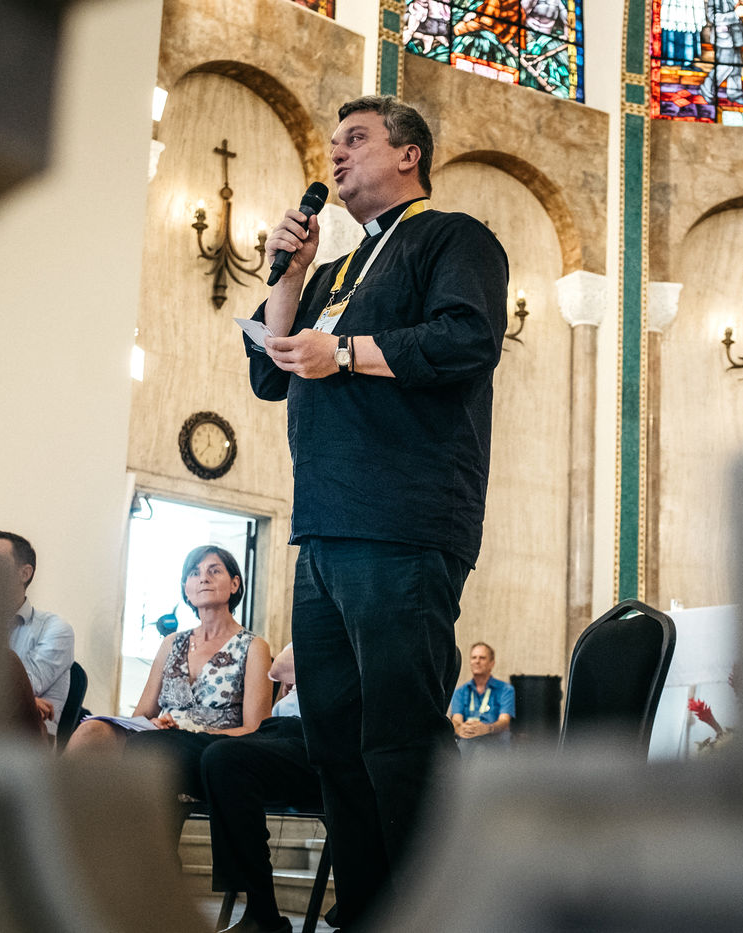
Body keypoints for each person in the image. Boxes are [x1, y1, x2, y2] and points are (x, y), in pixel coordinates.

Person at [245, 94, 508, 928]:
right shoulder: (333, 271)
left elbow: (467, 337)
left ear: (408, 154)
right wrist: (289, 275)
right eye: (332, 143)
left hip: (404, 519)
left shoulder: (453, 239)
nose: (336, 154)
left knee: (399, 741)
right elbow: (270, 370)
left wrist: (348, 351)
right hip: (323, 529)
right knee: (335, 743)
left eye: (355, 139)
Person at [66, 545, 273, 801]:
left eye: (214, 570)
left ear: (234, 584)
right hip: (160, 739)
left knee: (150, 752)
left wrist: (185, 736)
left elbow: (256, 729)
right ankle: (55, 816)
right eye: (194, 573)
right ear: (186, 588)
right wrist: (155, 724)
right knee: (92, 730)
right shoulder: (172, 643)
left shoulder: (254, 647)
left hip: (210, 749)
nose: (203, 578)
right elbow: (142, 714)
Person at [200, 644, 320, 933]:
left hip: (316, 738)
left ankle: (262, 914)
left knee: (224, 759)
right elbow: (283, 671)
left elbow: (280, 666)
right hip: (274, 729)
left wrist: (298, 673)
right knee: (162, 750)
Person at [0, 530, 74, 738]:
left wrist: (25, 701)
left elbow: (23, 687)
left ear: (25, 573)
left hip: (27, 741)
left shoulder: (56, 629)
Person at [449, 642, 515, 758]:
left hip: (494, 740)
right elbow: (456, 720)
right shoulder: (460, 692)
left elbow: (504, 722)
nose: (477, 661)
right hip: (468, 740)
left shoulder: (505, 689)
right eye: (474, 658)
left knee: (480, 749)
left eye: (482, 658)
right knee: (462, 745)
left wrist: (487, 728)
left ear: (492, 664)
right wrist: (461, 729)